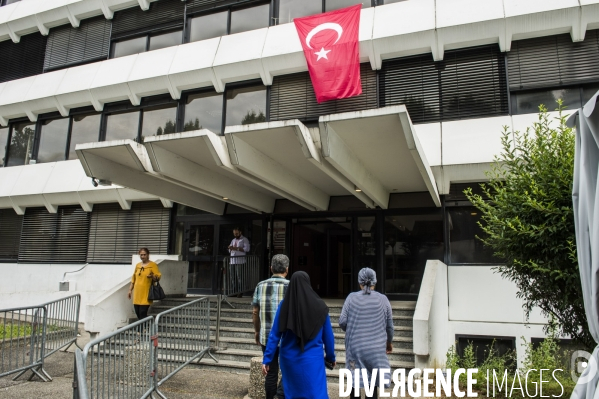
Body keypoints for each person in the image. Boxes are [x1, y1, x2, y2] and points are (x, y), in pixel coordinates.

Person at [262, 271, 336, 399]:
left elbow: (275, 335)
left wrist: (267, 359)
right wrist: (331, 357)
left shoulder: (284, 306)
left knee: (292, 393)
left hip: (289, 359)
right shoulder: (320, 307)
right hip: (313, 359)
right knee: (316, 392)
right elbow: (328, 337)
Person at [338, 268, 394, 399]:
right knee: (372, 384)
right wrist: (389, 342)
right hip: (375, 349)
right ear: (375, 281)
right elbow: (390, 326)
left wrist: (354, 329)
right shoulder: (383, 299)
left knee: (355, 382)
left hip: (355, 348)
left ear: (359, 282)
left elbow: (342, 321)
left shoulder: (351, 298)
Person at [251, 254, 290, 399]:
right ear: (287, 269)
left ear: (271, 268)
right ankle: (280, 396)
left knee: (270, 372)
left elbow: (255, 311)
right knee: (288, 371)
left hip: (266, 335)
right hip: (286, 337)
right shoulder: (291, 286)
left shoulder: (260, 286)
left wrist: (257, 331)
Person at [127, 247, 162, 320]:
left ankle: (143, 329)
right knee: (137, 312)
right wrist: (130, 290)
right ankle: (144, 328)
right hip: (137, 294)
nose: (142, 256)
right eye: (141, 255)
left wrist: (152, 276)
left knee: (142, 312)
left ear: (148, 255)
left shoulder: (153, 265)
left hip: (146, 293)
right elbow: (133, 279)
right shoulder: (138, 265)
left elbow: (157, 278)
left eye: (144, 255)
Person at [228, 227, 250, 297]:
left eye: (237, 233)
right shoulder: (233, 240)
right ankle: (234, 292)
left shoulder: (244, 239)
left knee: (240, 277)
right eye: (234, 234)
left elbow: (247, 249)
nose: (235, 235)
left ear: (240, 232)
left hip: (240, 261)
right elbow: (230, 250)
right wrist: (230, 248)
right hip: (232, 261)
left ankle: (240, 292)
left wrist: (237, 248)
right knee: (233, 277)